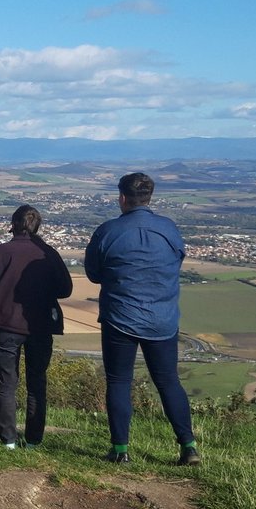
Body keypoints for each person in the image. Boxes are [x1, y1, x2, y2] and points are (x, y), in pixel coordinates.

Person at [85, 172, 200, 466]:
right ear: (149, 198)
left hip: (119, 317)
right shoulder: (169, 229)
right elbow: (177, 262)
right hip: (163, 319)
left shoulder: (108, 232)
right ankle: (188, 447)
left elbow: (94, 274)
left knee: (119, 380)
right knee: (168, 382)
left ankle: (121, 450)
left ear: (122, 198)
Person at [0, 205, 73, 449]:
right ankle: (34, 439)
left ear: (14, 224)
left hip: (6, 325)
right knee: (37, 381)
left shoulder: (1, 252)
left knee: (7, 384)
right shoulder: (48, 254)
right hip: (39, 325)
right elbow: (65, 289)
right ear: (36, 226)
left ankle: (8, 439)